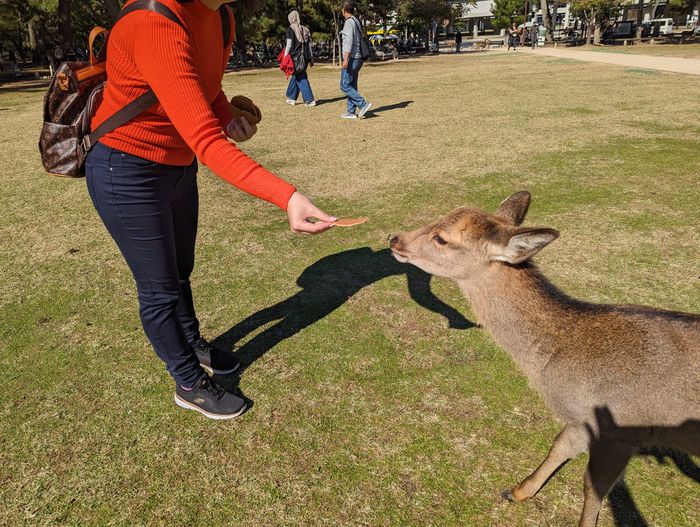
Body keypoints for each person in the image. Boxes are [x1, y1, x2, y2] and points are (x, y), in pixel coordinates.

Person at [86, 0, 336, 420]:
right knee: (159, 289)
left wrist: (227, 117)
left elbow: (205, 89)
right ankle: (187, 380)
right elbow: (207, 143)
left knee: (182, 268)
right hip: (125, 168)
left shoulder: (221, 17)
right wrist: (286, 196)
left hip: (177, 165)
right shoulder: (154, 20)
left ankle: (192, 343)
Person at [339, 0, 371, 119]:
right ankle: (351, 111)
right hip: (358, 57)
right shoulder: (356, 21)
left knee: (344, 85)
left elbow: (348, 41)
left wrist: (345, 59)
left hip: (352, 57)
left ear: (344, 10)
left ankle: (363, 104)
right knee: (352, 84)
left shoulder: (348, 23)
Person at [284, 10, 316, 107]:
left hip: (296, 58)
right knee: (297, 76)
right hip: (305, 58)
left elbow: (289, 45)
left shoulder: (290, 29)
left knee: (301, 78)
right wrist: (311, 58)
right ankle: (292, 98)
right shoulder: (305, 29)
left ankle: (310, 100)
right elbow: (309, 46)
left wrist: (285, 56)